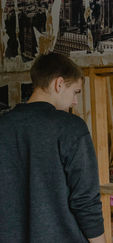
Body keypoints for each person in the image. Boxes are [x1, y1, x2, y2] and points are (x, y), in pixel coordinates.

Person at [0, 53, 105, 243]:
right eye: (75, 92)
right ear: (59, 84)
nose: (75, 102)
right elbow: (85, 201)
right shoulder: (71, 128)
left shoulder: (3, 126)